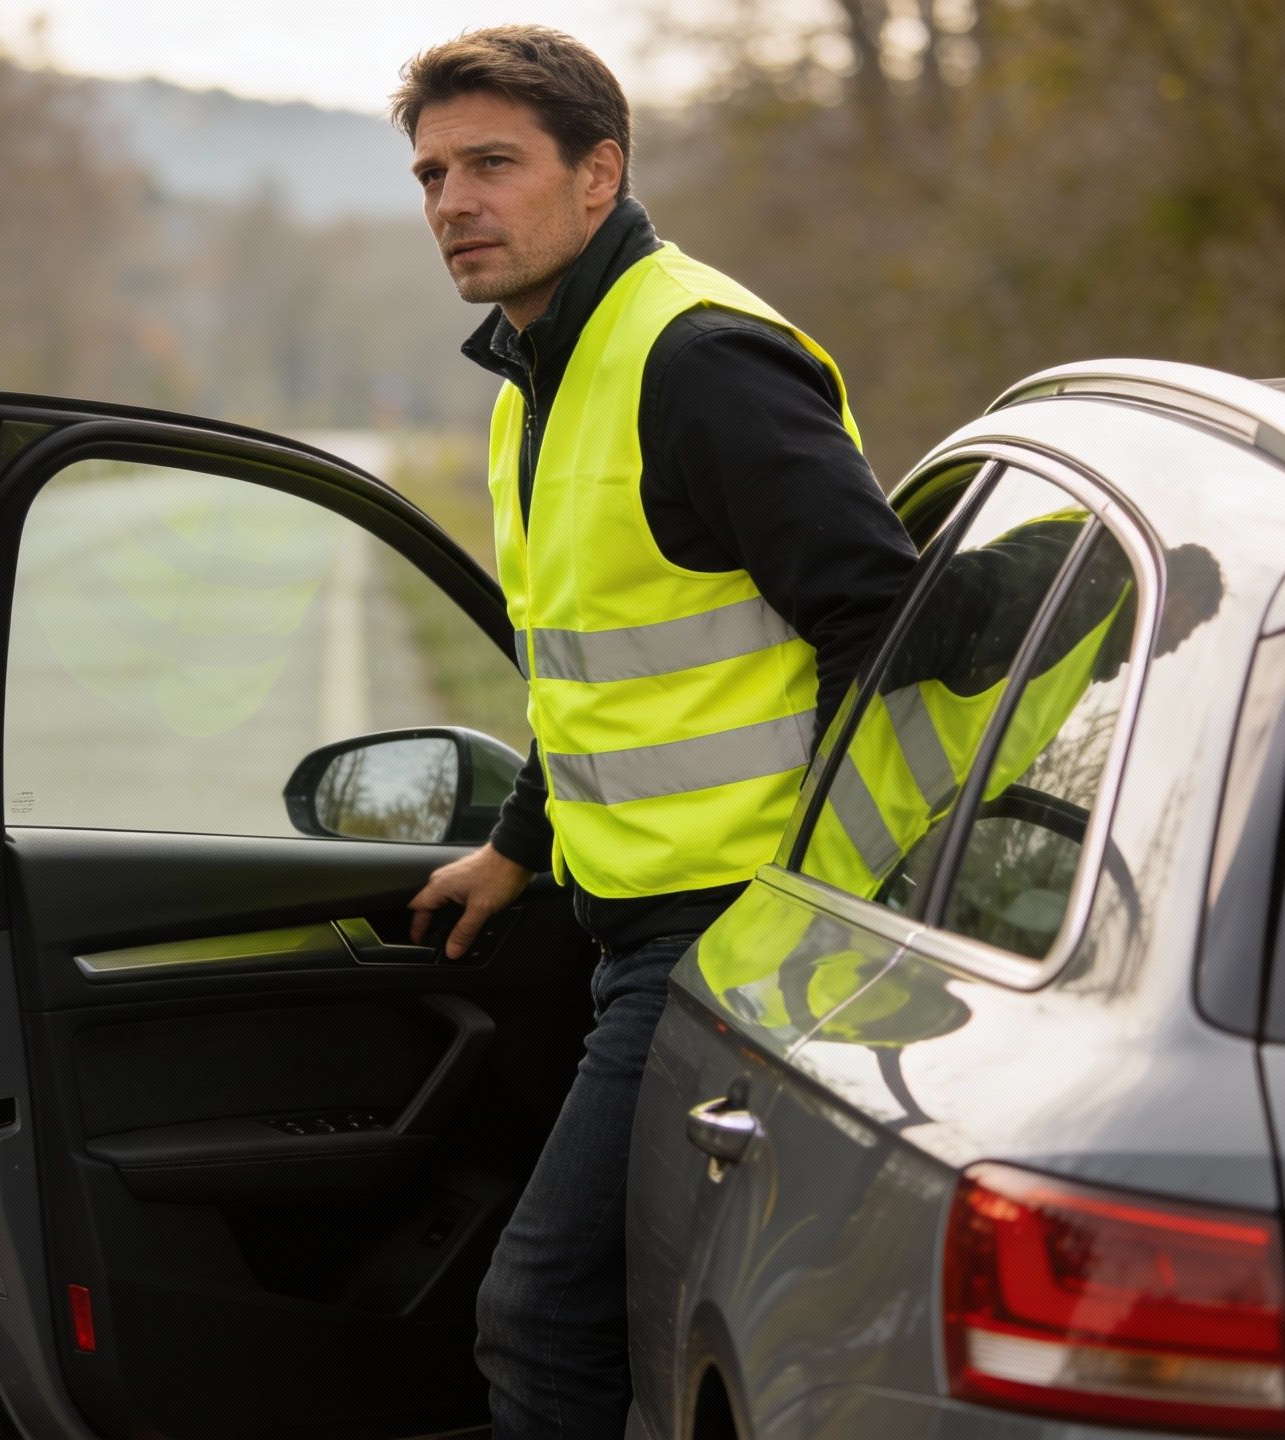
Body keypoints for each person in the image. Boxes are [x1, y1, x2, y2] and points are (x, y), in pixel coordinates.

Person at [388, 27, 919, 1438]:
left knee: (538, 1318)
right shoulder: (539, 378)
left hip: (735, 940)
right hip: (638, 920)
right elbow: (594, 676)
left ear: (597, 170)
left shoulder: (697, 359)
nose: (453, 201)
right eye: (433, 171)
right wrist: (517, 846)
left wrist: (831, 898)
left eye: (493, 164)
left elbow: (888, 627)